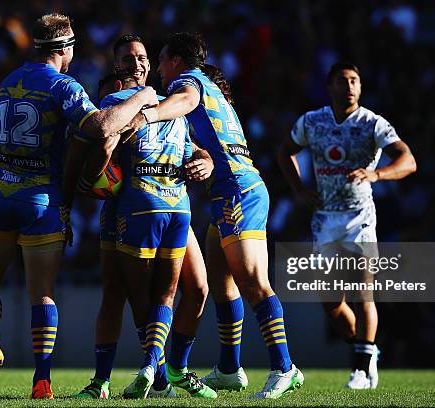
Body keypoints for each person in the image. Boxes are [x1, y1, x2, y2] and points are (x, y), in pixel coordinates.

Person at [0, 13, 157, 399]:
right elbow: (102, 126)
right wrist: (143, 96)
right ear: (64, 49)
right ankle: (42, 380)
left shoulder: (8, 81)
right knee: (43, 294)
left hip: (1, 193)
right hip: (42, 201)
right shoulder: (63, 86)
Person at [127, 32, 304, 399]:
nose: (158, 68)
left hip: (239, 191)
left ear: (176, 60)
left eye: (161, 59)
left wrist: (150, 115)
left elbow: (184, 100)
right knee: (222, 282)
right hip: (227, 192)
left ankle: (284, 367)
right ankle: (228, 367)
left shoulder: (189, 83)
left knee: (253, 281)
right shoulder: (213, 89)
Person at [68, 35, 214, 399]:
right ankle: (155, 374)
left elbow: (105, 142)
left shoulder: (160, 104)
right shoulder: (145, 102)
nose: (137, 62)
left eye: (143, 56)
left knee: (145, 297)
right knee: (133, 295)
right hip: (164, 205)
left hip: (139, 204)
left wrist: (85, 183)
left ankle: (157, 372)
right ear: (117, 66)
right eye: (129, 57)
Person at [277, 62, 417, 389]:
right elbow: (285, 152)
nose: (350, 86)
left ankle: (360, 368)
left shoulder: (373, 123)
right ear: (330, 87)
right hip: (325, 219)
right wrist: (299, 190)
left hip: (360, 217)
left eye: (355, 80)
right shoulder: (312, 121)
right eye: (343, 80)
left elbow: (408, 160)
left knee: (362, 292)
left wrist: (377, 174)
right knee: (331, 302)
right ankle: (367, 352)